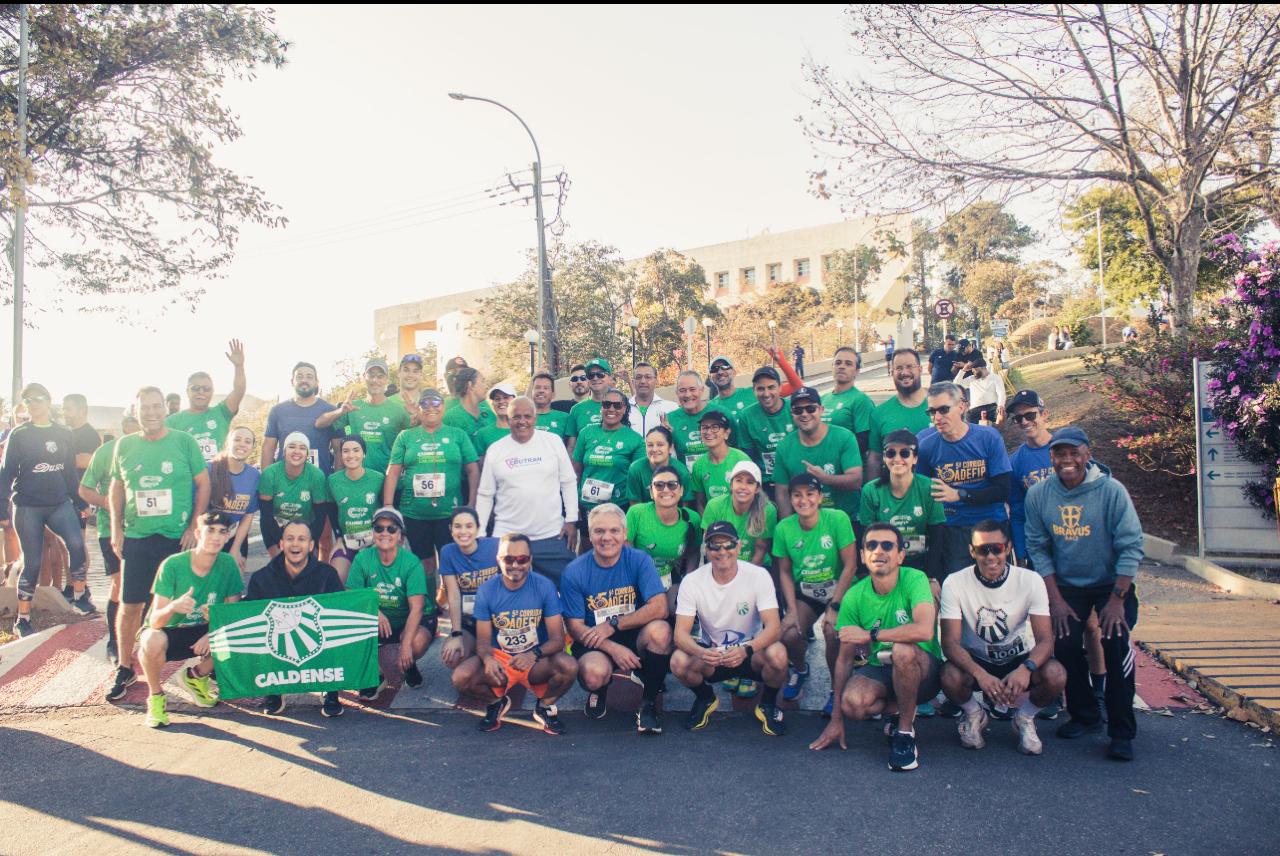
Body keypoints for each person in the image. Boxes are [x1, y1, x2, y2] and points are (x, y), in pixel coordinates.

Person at [1025, 427, 1144, 761]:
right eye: (1059, 454)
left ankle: (1121, 731)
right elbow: (1039, 547)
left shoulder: (1111, 492)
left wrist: (1117, 600)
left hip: (1109, 582)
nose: (1067, 460)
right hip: (1067, 584)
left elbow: (1131, 546)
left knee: (1115, 644)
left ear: (1087, 454)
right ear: (1051, 457)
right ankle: (1085, 715)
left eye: (1073, 453)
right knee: (1063, 644)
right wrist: (1056, 600)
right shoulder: (1039, 494)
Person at [810, 522, 942, 772]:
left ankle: (904, 734)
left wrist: (870, 634)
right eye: (871, 545)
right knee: (854, 704)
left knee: (901, 649)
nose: (878, 551)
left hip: (923, 669)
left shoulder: (915, 579)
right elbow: (844, 660)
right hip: (882, 669)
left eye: (887, 545)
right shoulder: (853, 595)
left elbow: (924, 629)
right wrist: (837, 717)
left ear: (901, 555)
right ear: (862, 555)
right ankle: (897, 712)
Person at [106, 386, 210, 702]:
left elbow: (203, 483)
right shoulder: (124, 446)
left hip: (176, 538)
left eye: (156, 407)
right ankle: (125, 666)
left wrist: (195, 524)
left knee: (182, 605)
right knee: (131, 605)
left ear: (165, 409)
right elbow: (117, 488)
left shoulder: (183, 442)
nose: (150, 413)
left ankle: (196, 669)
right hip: (138, 537)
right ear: (135, 412)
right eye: (144, 408)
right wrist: (116, 529)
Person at [1007, 390, 1107, 718]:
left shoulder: (1067, 449)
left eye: (1030, 415)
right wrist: (1020, 552)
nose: (1025, 422)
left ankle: (1099, 685)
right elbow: (1018, 510)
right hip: (1042, 553)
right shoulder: (1016, 460)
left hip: (1078, 546)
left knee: (1090, 623)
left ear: (1044, 413)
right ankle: (1059, 690)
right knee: (1053, 624)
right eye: (1018, 418)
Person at [939, 521, 1068, 755]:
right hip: (976, 660)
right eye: (982, 549)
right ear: (971, 551)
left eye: (997, 548)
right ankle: (974, 713)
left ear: (1008, 548)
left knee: (1056, 674)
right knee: (949, 675)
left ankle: (1025, 718)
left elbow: (1046, 641)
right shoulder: (954, 582)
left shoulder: (1030, 580)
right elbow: (949, 643)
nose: (990, 556)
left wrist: (1026, 668)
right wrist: (981, 675)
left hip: (1017, 658)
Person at [561, 503, 672, 734]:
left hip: (632, 633)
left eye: (614, 530)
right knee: (593, 675)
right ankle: (599, 690)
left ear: (624, 533)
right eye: (599, 531)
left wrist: (613, 625)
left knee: (661, 631)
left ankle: (649, 703)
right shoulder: (574, 571)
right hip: (595, 641)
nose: (606, 537)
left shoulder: (640, 560)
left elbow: (660, 607)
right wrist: (612, 648)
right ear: (589, 535)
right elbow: (574, 627)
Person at [671, 520, 789, 735]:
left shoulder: (758, 575)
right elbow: (680, 635)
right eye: (715, 546)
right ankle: (705, 698)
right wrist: (702, 652)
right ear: (706, 550)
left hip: (750, 654)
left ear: (739, 546)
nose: (722, 551)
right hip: (712, 655)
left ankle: (768, 704)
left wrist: (747, 649)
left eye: (728, 545)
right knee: (678, 661)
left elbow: (774, 627)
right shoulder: (692, 581)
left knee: (779, 654)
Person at [453, 533, 577, 735]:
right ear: (498, 560)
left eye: (522, 559)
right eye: (508, 559)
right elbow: (483, 642)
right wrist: (487, 658)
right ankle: (496, 702)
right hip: (502, 660)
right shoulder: (486, 590)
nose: (515, 565)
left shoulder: (545, 586)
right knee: (461, 677)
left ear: (530, 560)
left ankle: (544, 706)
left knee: (569, 666)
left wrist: (533, 655)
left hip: (536, 660)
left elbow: (557, 640)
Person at [0, 383, 97, 637]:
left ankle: (79, 597)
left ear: (48, 400)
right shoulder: (19, 435)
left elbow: (68, 473)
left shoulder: (63, 433)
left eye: (39, 398)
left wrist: (81, 502)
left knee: (76, 544)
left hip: (59, 503)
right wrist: (2, 509)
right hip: (28, 505)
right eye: (29, 400)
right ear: (25, 405)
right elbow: (6, 474)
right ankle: (23, 618)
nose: (35, 404)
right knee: (32, 562)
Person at [138, 511, 244, 728]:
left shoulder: (229, 565)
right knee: (151, 640)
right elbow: (155, 621)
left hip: (204, 630)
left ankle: (196, 676)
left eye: (222, 532)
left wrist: (212, 632)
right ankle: (156, 698)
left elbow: (233, 615)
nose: (216, 537)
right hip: (172, 630)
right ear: (198, 533)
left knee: (239, 631)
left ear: (227, 537)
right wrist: (173, 606)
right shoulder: (172, 565)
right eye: (210, 530)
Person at [773, 474, 858, 715]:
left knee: (832, 632)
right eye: (797, 495)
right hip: (807, 591)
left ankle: (836, 688)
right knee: (789, 632)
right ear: (790, 499)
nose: (804, 500)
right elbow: (785, 572)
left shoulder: (838, 519)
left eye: (810, 494)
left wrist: (836, 605)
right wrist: (790, 610)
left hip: (839, 588)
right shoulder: (784, 528)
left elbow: (851, 565)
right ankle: (800, 670)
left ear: (820, 497)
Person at [244, 520, 345, 715]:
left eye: (301, 539)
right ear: (281, 544)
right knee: (260, 629)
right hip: (278, 648)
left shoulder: (327, 575)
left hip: (319, 646)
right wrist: (217, 614)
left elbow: (341, 612)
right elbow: (247, 614)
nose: (295, 544)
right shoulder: (261, 578)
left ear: (311, 545)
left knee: (334, 627)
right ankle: (273, 688)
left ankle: (331, 688)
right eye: (290, 539)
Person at [475, 396, 579, 584]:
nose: (522, 421)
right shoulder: (496, 450)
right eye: (516, 417)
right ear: (508, 420)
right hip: (507, 537)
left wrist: (571, 519)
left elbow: (569, 481)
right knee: (508, 593)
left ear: (535, 418)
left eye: (527, 416)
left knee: (570, 583)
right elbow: (485, 494)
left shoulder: (553, 442)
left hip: (550, 534)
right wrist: (481, 533)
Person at [915, 382, 1011, 577]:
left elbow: (1003, 489)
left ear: (961, 406)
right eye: (932, 412)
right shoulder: (926, 447)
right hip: (952, 530)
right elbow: (923, 496)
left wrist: (959, 494)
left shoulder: (988, 438)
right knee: (958, 587)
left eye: (943, 409)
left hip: (991, 524)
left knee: (997, 584)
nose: (937, 417)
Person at [385, 388, 478, 584]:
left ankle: (451, 602)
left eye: (435, 403)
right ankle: (428, 608)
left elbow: (472, 470)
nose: (430, 408)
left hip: (450, 513)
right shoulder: (405, 436)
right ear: (418, 409)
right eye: (424, 404)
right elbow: (393, 472)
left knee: (451, 561)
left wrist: (472, 502)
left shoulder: (457, 435)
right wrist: (388, 506)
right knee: (424, 563)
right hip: (415, 513)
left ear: (443, 406)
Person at [347, 506, 434, 697]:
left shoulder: (411, 562)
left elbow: (417, 608)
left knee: (414, 643)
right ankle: (376, 674)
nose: (384, 533)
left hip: (409, 619)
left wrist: (405, 647)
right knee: (350, 632)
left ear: (401, 536)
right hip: (379, 620)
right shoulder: (363, 558)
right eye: (379, 528)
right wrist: (375, 611)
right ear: (373, 532)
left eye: (391, 529)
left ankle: (408, 663)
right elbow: (353, 596)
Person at [79, 413, 140, 661]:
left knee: (148, 588)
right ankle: (115, 643)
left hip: (148, 530)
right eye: (133, 423)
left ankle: (141, 639)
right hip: (112, 530)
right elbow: (84, 488)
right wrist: (111, 504)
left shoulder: (160, 448)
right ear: (124, 426)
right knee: (120, 584)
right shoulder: (107, 452)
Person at [859, 430, 946, 582]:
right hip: (884, 562)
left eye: (905, 453)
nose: (897, 459)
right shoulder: (871, 491)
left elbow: (937, 537)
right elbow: (867, 538)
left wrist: (931, 578)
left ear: (915, 458)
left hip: (921, 564)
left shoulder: (929, 487)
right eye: (891, 453)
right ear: (885, 458)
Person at [771, 386, 863, 522]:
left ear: (821, 410)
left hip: (844, 520)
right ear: (792, 414)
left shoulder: (844, 437)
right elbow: (782, 492)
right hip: (804, 523)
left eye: (810, 408)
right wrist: (788, 527)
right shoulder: (784, 446)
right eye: (798, 410)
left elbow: (856, 480)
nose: (804, 414)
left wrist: (825, 478)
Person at [572, 388, 643, 545]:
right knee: (587, 548)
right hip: (588, 505)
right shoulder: (586, 433)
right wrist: (573, 505)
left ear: (624, 409)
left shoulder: (635, 439)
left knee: (614, 549)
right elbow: (576, 472)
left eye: (617, 405)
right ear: (601, 407)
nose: (611, 409)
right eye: (607, 404)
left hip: (618, 507)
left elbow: (638, 480)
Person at [317, 357, 410, 476]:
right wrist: (340, 411)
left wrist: (417, 415)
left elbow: (415, 437)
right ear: (364, 377)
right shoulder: (352, 407)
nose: (375, 380)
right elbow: (320, 423)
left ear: (386, 379)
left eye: (380, 376)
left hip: (387, 480)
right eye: (371, 375)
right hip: (358, 481)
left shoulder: (398, 410)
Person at [626, 464, 702, 607]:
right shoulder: (636, 513)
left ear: (681, 491)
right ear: (651, 492)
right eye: (659, 485)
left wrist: (686, 583)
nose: (666, 489)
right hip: (637, 580)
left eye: (672, 485)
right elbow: (625, 553)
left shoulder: (692, 519)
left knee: (678, 610)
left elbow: (693, 553)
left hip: (671, 579)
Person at [438, 506, 500, 673]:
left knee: (500, 662)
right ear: (451, 529)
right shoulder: (447, 552)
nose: (463, 531)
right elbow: (453, 595)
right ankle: (474, 650)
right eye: (458, 526)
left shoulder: (496, 546)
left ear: (478, 528)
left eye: (469, 526)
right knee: (452, 656)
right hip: (469, 620)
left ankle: (484, 653)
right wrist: (456, 634)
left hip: (497, 622)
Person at [166, 340, 248, 463]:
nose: (201, 392)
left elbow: (239, 390)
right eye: (195, 388)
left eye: (206, 389)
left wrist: (239, 367)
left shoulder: (221, 413)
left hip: (217, 476)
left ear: (212, 392)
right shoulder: (172, 421)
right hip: (187, 479)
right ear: (187, 391)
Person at [258, 432, 331, 557]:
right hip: (275, 528)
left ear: (307, 454)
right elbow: (266, 516)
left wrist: (310, 541)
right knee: (281, 567)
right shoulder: (270, 473)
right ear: (284, 451)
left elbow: (320, 516)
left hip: (306, 529)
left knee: (306, 569)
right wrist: (280, 542)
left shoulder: (316, 475)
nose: (297, 451)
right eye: (292, 447)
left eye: (302, 448)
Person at [325, 435, 384, 582]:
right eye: (346, 451)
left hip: (374, 542)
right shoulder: (333, 480)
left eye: (356, 450)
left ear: (364, 453)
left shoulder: (378, 478)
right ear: (340, 454)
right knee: (336, 578)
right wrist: (338, 538)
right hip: (347, 542)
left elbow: (386, 511)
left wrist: (381, 538)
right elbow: (332, 511)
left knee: (373, 579)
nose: (351, 455)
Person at [261, 361, 338, 474]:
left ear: (316, 382)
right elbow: (268, 448)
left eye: (309, 377)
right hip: (285, 483)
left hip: (320, 484)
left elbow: (339, 451)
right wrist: (266, 480)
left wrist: (337, 482)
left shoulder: (331, 411)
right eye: (299, 376)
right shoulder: (277, 411)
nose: (304, 380)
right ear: (292, 381)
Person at [62, 392, 102, 599]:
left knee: (78, 541)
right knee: (67, 543)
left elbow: (85, 461)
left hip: (81, 496)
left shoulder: (89, 435)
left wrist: (58, 460)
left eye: (68, 408)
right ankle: (70, 585)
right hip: (63, 494)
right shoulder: (66, 433)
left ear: (81, 410)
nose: (64, 413)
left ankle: (81, 587)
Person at [206, 426, 261, 570]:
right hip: (209, 537)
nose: (242, 444)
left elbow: (248, 515)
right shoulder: (209, 469)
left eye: (247, 441)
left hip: (236, 538)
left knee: (233, 586)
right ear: (227, 443)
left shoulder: (254, 475)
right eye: (237, 439)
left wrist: (235, 549)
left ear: (252, 447)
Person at [735, 366, 794, 493]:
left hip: (795, 480)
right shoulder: (746, 416)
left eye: (771, 387)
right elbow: (748, 457)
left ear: (780, 387)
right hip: (766, 483)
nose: (766, 394)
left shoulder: (795, 409)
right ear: (754, 391)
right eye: (760, 389)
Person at [691, 410, 750, 512]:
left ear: (726, 433)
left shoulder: (741, 460)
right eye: (704, 428)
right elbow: (700, 503)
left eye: (715, 427)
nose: (709, 432)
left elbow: (752, 498)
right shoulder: (698, 465)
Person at [822, 347, 873, 457]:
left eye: (848, 364)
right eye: (838, 363)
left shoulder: (861, 400)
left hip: (846, 468)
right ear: (832, 367)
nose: (841, 366)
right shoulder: (822, 399)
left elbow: (863, 443)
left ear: (857, 371)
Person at [626, 425, 694, 505]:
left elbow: (686, 506)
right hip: (645, 515)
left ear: (670, 448)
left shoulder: (681, 471)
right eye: (650, 445)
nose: (654, 449)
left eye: (660, 445)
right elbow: (635, 507)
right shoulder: (636, 469)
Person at [666, 371, 719, 471]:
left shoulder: (720, 413)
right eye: (682, 390)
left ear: (702, 390)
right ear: (677, 393)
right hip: (687, 482)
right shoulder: (670, 419)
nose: (688, 394)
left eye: (692, 389)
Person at [565, 358, 614, 453]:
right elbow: (571, 448)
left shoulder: (621, 406)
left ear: (610, 378)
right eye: (591, 375)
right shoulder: (576, 409)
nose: (595, 378)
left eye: (600, 374)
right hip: (585, 466)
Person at [443, 366, 495, 440]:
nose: (486, 386)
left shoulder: (489, 414)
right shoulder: (450, 419)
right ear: (470, 385)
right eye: (482, 381)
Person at [626, 361, 677, 435]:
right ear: (633, 382)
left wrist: (671, 434)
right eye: (638, 377)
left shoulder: (671, 408)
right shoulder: (622, 409)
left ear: (656, 381)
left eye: (648, 377)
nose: (643, 381)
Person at [473, 383, 516, 465]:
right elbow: (480, 467)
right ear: (492, 404)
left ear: (515, 400)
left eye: (506, 397)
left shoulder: (523, 429)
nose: (501, 401)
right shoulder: (483, 433)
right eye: (497, 399)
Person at [957, 357, 1006, 425]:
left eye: (976, 370)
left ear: (983, 368)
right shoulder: (972, 379)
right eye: (973, 371)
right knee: (970, 423)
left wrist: (1001, 405)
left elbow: (1001, 394)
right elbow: (955, 385)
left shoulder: (995, 377)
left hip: (991, 407)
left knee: (1000, 418)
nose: (973, 372)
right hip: (975, 409)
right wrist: (963, 370)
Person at [529, 372, 569, 440]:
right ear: (532, 392)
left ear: (553, 394)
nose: (541, 390)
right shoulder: (522, 417)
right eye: (537, 387)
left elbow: (571, 447)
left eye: (546, 388)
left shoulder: (565, 418)